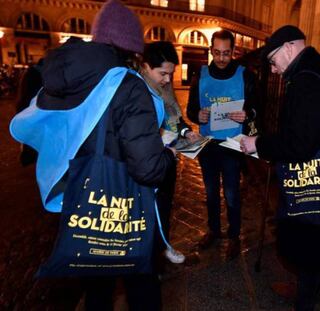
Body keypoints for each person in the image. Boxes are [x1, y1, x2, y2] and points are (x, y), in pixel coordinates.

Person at [11, 0, 175, 310]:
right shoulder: (128, 86)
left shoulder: (62, 79)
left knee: (96, 288)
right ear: (131, 47)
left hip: (82, 202)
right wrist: (167, 157)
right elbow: (147, 168)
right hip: (121, 207)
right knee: (142, 284)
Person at [240, 25, 320, 310]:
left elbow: (301, 141)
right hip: (318, 174)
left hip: (317, 181)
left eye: (273, 60)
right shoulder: (315, 70)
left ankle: (303, 302)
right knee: (312, 246)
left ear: (290, 47)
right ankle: (303, 289)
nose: (274, 69)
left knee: (312, 244)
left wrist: (260, 144)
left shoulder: (307, 79)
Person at [187, 30, 258, 259]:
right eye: (216, 52)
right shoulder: (201, 74)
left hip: (232, 143)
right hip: (207, 143)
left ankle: (234, 236)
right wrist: (198, 115)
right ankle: (214, 230)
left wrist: (247, 114)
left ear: (233, 51)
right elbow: (190, 110)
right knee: (210, 192)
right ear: (211, 50)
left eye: (226, 53)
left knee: (231, 193)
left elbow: (258, 109)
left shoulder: (246, 75)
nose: (220, 58)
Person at [140, 41, 199, 264]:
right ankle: (149, 254)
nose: (167, 80)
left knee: (165, 204)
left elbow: (174, 116)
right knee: (150, 208)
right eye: (163, 73)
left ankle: (163, 244)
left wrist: (185, 131)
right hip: (152, 159)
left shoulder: (164, 85)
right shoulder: (138, 90)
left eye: (170, 74)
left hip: (169, 156)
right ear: (145, 66)